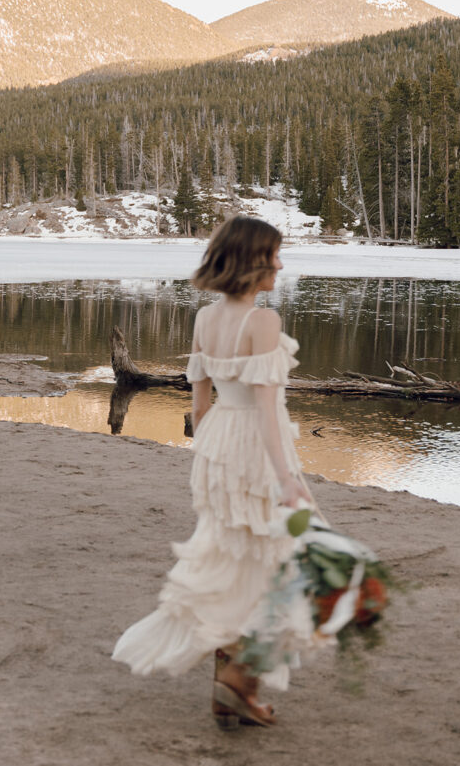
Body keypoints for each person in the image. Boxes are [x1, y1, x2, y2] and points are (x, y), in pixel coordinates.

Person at [112, 215, 319, 729]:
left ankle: (228, 692)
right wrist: (287, 478)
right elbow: (268, 413)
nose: (280, 263)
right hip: (253, 442)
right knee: (275, 562)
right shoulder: (263, 322)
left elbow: (199, 405)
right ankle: (237, 683)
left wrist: (209, 457)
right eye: (273, 255)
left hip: (218, 442)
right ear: (251, 262)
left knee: (233, 559)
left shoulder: (205, 319)